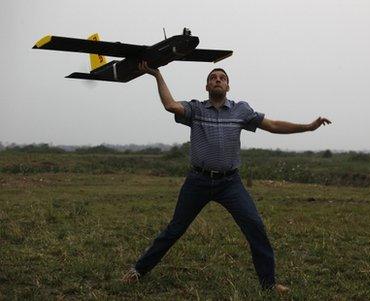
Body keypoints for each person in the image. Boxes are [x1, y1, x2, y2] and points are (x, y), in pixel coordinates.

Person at [122, 61, 331, 293]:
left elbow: (272, 125)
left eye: (222, 77)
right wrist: (157, 75)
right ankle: (138, 270)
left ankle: (269, 284)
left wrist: (308, 127)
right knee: (175, 229)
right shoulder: (196, 110)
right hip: (197, 181)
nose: (218, 79)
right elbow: (170, 105)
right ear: (207, 86)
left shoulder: (241, 110)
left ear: (228, 86)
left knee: (255, 227)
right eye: (213, 77)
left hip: (229, 183)